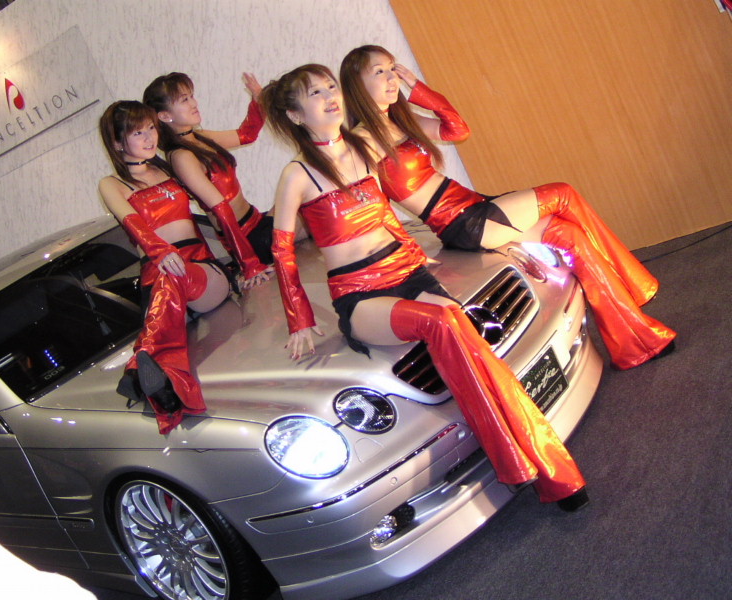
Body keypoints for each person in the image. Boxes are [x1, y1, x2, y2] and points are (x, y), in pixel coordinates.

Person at [260, 63, 588, 510]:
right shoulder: (297, 174)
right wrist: (299, 318)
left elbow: (388, 210)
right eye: (314, 93)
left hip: (407, 271)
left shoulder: (363, 146)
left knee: (467, 334)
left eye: (330, 86)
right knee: (442, 322)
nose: (329, 96)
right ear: (296, 115)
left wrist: (428, 252)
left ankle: (525, 456)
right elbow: (282, 250)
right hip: (361, 294)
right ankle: (526, 463)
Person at [340, 45, 676, 371]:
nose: (392, 77)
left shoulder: (401, 121)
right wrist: (410, 252)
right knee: (562, 194)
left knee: (569, 234)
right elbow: (375, 208)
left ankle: (636, 342)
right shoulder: (363, 141)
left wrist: (418, 89)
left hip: (475, 206)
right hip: (464, 223)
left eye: (392, 68)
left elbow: (458, 129)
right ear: (357, 84)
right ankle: (635, 284)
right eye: (379, 71)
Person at [98, 101, 231, 434]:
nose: (149, 138)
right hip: (160, 282)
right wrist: (160, 252)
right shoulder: (112, 184)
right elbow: (131, 222)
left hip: (202, 273)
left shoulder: (171, 166)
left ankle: (138, 365)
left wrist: (252, 263)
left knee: (174, 275)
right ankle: (165, 390)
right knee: (168, 280)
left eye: (151, 129)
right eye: (137, 133)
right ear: (117, 143)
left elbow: (216, 204)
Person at [143, 72, 273, 289]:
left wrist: (258, 101)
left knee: (306, 203)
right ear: (165, 116)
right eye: (184, 100)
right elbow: (221, 210)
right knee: (310, 211)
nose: (194, 103)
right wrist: (250, 265)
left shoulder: (200, 137)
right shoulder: (182, 156)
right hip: (248, 240)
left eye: (191, 96)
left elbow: (246, 135)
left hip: (257, 221)